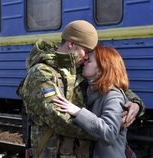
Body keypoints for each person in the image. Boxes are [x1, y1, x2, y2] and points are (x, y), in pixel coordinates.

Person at [17, 20, 145, 158]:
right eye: (86, 51)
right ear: (71, 44)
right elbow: (59, 120)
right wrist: (108, 131)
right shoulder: (42, 73)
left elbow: (109, 84)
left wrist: (135, 103)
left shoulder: (78, 69)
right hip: (53, 152)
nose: (86, 57)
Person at [53, 45, 133, 158]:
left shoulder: (113, 96)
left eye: (89, 61)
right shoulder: (92, 90)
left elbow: (109, 132)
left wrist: (78, 112)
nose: (84, 62)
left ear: (101, 69)